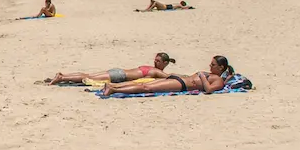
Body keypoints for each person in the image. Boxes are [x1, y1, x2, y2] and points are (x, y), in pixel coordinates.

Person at [101, 55, 235, 97]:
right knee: (143, 84)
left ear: (221, 67)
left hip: (181, 85)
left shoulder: (218, 80)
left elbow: (209, 90)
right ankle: (113, 86)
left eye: (213, 65)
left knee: (146, 87)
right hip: (178, 79)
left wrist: (203, 77)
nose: (210, 66)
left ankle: (113, 89)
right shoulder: (209, 74)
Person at [45, 52, 175, 85]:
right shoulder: (157, 71)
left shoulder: (151, 69)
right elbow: (171, 78)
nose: (155, 62)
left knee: (89, 75)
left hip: (118, 71)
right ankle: (61, 77)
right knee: (89, 77)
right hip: (119, 76)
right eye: (155, 60)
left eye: (157, 61)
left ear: (165, 63)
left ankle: (63, 76)